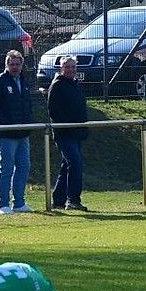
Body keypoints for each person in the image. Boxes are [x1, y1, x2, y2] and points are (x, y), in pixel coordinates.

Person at [0, 50, 34, 215]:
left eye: (17, 64)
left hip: (23, 133)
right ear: (6, 65)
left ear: (22, 65)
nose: (15, 67)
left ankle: (19, 203)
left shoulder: (24, 82)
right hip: (6, 134)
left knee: (24, 166)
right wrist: (6, 123)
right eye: (11, 64)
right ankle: (3, 204)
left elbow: (27, 105)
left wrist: (28, 122)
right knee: (6, 168)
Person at [47, 56, 89, 211]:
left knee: (67, 165)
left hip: (76, 132)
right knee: (75, 163)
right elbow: (53, 110)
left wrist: (82, 126)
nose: (71, 70)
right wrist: (68, 124)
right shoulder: (57, 85)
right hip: (64, 133)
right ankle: (73, 200)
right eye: (67, 67)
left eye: (73, 67)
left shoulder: (75, 85)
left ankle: (58, 200)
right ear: (61, 68)